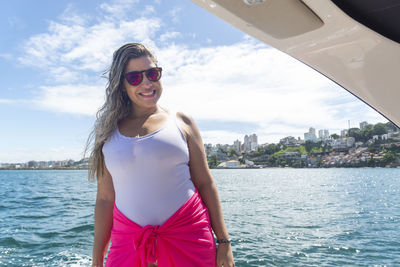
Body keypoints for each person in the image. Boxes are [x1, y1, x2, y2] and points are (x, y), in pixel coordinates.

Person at [85, 43, 235, 267]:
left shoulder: (182, 121)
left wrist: (224, 242)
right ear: (121, 84)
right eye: (135, 77)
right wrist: (97, 261)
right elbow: (105, 200)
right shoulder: (108, 132)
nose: (147, 83)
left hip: (190, 237)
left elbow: (205, 183)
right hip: (128, 244)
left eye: (152, 74)